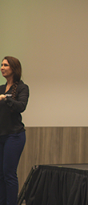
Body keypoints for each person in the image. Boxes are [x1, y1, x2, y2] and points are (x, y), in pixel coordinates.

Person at [0, 56, 29, 205]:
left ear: (13, 68)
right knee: (1, 175)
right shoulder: (0, 88)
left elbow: (21, 106)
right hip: (1, 136)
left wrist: (6, 98)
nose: (2, 67)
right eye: (1, 65)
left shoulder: (22, 88)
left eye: (5, 65)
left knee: (9, 174)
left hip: (15, 136)